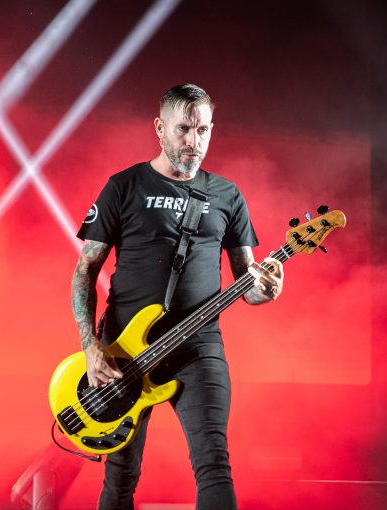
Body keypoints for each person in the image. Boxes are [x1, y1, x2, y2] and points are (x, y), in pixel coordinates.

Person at [72, 83, 284, 510]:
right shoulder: (124, 186)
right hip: (123, 352)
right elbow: (85, 270)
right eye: (184, 129)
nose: (194, 141)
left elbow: (248, 283)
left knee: (214, 463)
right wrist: (90, 346)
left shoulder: (227, 195)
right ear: (160, 128)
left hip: (198, 348)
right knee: (121, 476)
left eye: (203, 130)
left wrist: (268, 290)